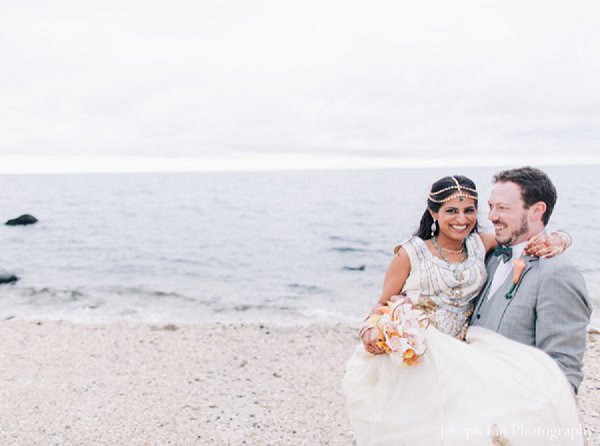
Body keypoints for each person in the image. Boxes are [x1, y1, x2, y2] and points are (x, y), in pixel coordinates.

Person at [342, 174, 584, 446]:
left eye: (471, 210)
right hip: (420, 357)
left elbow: (564, 366)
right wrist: (373, 329)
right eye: (452, 211)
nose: (465, 218)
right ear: (433, 212)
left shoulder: (481, 247)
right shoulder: (412, 253)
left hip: (465, 368)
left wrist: (562, 237)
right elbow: (382, 303)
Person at [470, 167, 591, 393]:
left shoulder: (557, 274)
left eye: (503, 208)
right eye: (491, 207)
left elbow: (563, 371)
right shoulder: (488, 256)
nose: (492, 216)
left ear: (537, 211)